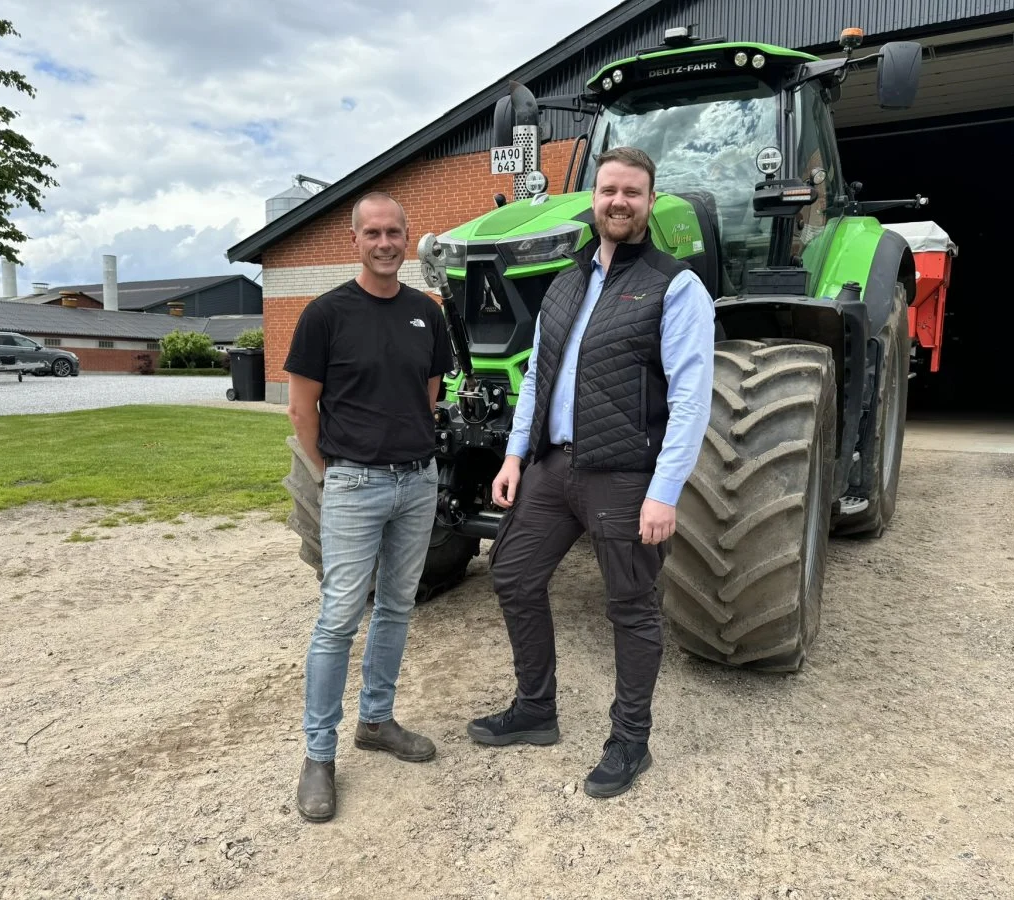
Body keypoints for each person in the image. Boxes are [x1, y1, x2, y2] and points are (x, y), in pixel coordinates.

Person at [466, 147, 715, 798]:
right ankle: (535, 709)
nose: (619, 203)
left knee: (631, 609)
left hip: (625, 474)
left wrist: (665, 491)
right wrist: (516, 457)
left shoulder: (675, 285)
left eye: (633, 193)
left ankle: (630, 743)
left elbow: (691, 398)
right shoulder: (566, 282)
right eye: (609, 190)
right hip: (554, 467)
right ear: (593, 197)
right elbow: (537, 381)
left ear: (650, 203)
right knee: (514, 574)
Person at [284, 191, 453, 823]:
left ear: (408, 239)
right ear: (353, 241)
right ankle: (318, 756)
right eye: (373, 233)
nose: (385, 243)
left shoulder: (426, 313)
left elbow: (427, 393)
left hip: (417, 484)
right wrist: (337, 474)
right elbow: (303, 410)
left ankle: (376, 722)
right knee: (338, 618)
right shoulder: (325, 315)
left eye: (395, 233)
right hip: (355, 485)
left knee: (397, 609)